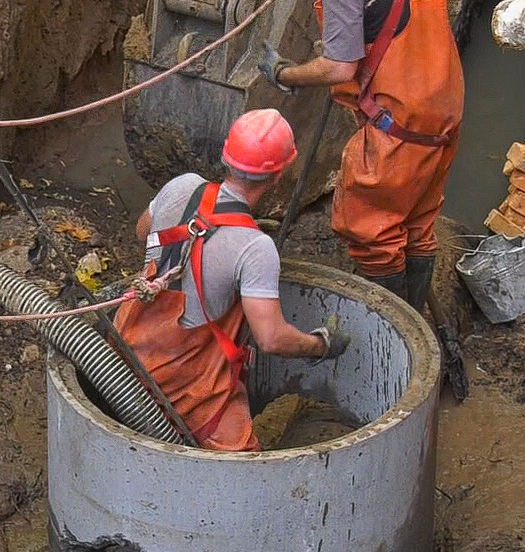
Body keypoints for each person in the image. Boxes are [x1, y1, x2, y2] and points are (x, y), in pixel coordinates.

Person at [258, 0, 464, 317]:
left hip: (400, 123)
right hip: (443, 99)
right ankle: (418, 319)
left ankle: (395, 330)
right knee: (418, 222)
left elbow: (339, 67)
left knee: (371, 232)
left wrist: (285, 73)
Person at [114, 109, 350, 452]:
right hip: (183, 381)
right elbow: (270, 339)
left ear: (226, 157)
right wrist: (321, 345)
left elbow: (141, 231)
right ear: (277, 176)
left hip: (124, 355)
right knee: (242, 467)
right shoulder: (255, 248)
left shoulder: (182, 185)